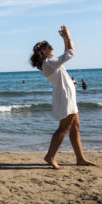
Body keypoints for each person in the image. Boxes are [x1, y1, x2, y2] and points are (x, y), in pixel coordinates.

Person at [30, 26, 96, 170]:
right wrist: (69, 38)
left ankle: (80, 158)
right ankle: (50, 156)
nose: (52, 48)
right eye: (49, 47)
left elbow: (65, 54)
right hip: (65, 97)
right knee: (64, 128)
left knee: (75, 127)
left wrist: (65, 39)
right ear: (43, 51)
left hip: (68, 95)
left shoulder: (50, 62)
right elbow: (70, 53)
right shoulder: (48, 63)